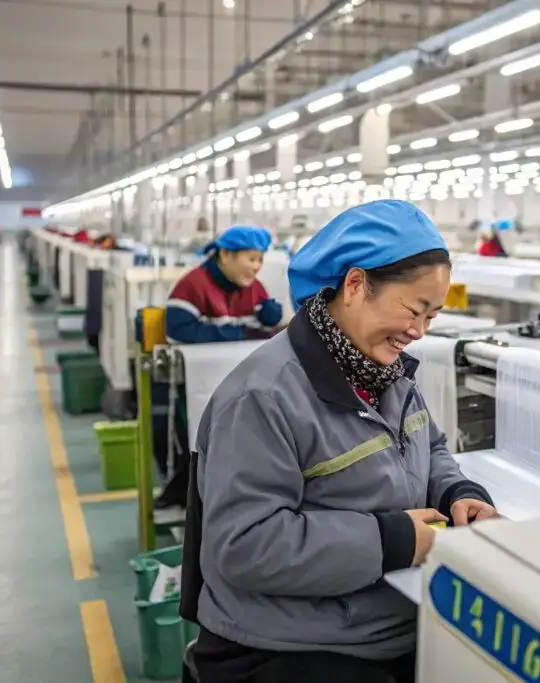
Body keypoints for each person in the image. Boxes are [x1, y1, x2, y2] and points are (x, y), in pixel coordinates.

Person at [189, 200, 498, 683]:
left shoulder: (388, 374)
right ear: (355, 285)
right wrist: (390, 541)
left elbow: (429, 448)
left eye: (433, 317)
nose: (419, 332)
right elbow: (245, 545)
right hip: (288, 641)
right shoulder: (263, 398)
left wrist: (459, 494)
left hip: (385, 619)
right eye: (415, 309)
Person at [153, 225, 283, 510]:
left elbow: (263, 332)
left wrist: (269, 319)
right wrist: (241, 335)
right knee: (196, 443)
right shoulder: (192, 285)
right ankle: (185, 495)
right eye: (251, 259)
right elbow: (180, 331)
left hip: (240, 381)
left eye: (260, 260)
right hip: (198, 384)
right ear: (225, 254)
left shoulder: (254, 288)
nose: (257, 267)